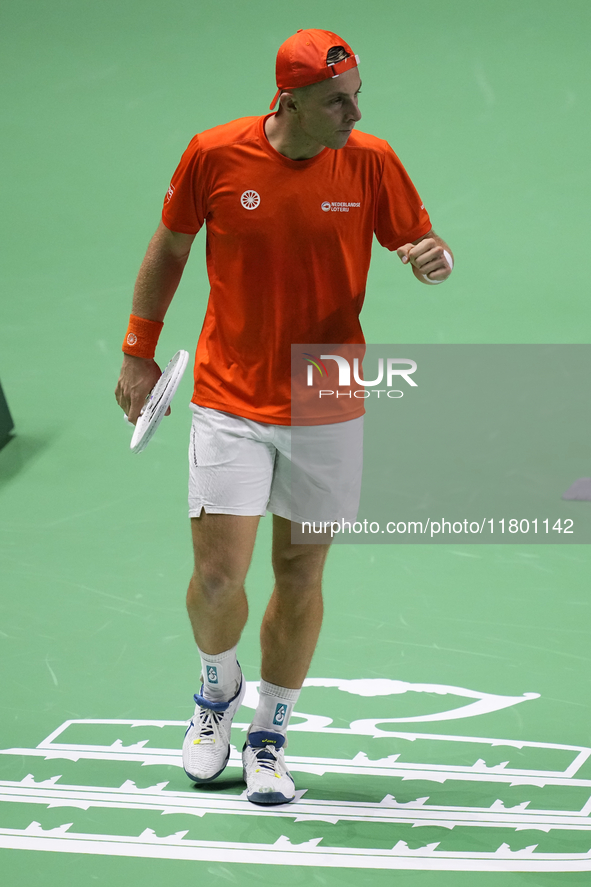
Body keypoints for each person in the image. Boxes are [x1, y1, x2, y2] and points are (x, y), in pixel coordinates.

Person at [114, 28, 454, 806]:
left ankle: (269, 732)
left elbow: (417, 238)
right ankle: (215, 690)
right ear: (289, 101)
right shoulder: (215, 155)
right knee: (215, 574)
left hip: (324, 398)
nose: (353, 111)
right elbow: (169, 247)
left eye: (357, 95)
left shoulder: (369, 160)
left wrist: (431, 256)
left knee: (299, 574)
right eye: (337, 101)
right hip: (230, 395)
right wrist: (139, 350)